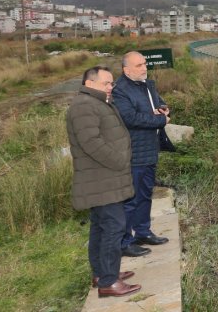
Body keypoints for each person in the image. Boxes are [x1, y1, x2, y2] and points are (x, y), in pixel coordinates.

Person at [67, 66, 142, 298]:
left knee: (101, 227)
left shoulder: (96, 102)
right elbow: (91, 143)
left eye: (112, 83)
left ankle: (102, 273)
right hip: (102, 178)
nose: (111, 87)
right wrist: (119, 160)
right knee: (113, 227)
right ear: (90, 83)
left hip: (104, 178)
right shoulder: (83, 106)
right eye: (106, 83)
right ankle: (109, 282)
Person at [112, 51, 171, 257]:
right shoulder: (120, 91)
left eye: (145, 64)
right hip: (133, 152)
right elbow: (130, 118)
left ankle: (143, 232)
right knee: (131, 198)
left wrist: (162, 108)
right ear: (126, 70)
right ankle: (125, 241)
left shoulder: (146, 84)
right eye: (138, 65)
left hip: (149, 149)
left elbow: (156, 103)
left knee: (146, 194)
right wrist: (160, 121)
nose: (144, 68)